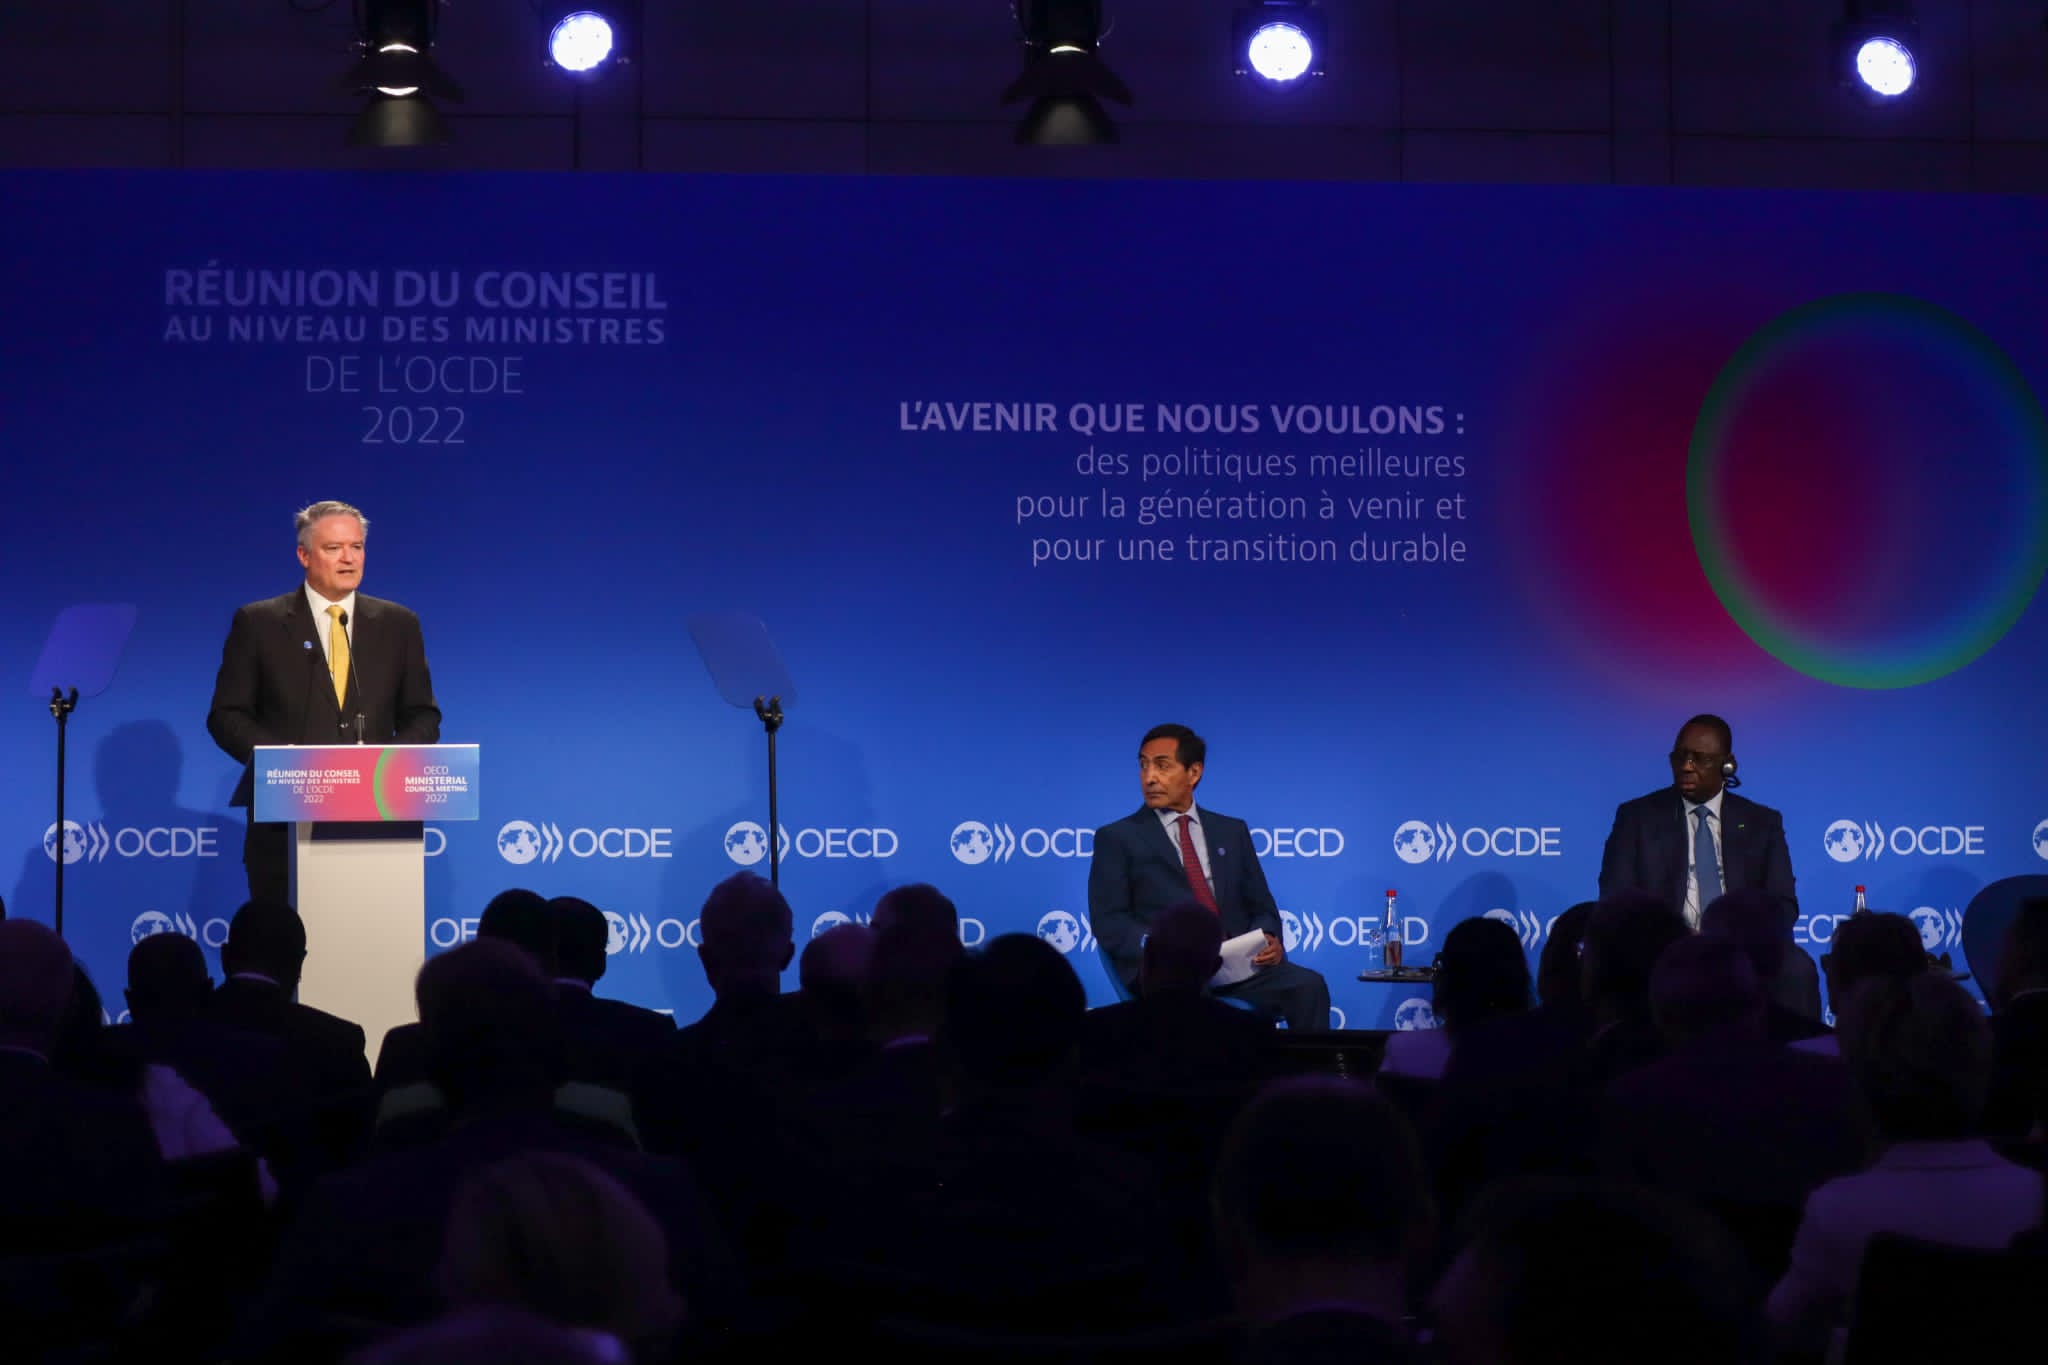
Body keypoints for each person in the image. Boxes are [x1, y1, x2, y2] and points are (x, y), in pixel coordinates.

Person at [206, 500, 441, 904]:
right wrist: (287, 766)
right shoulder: (259, 623)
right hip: (284, 829)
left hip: (377, 824)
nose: (349, 558)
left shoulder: (399, 624)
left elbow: (423, 715)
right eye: (334, 548)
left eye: (357, 546)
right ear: (304, 555)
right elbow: (227, 715)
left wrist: (384, 765)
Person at [1088, 724, 1330, 1032]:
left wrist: (1268, 938)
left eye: (1162, 766)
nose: (1149, 777)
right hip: (1167, 973)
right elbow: (1110, 922)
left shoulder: (1231, 831)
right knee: (1199, 1010)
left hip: (1236, 965)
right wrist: (1162, 948)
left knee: (1309, 986)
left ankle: (1303, 1066)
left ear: (1194, 772)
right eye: (1143, 765)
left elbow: (1262, 906)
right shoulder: (1117, 837)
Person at [1598, 714, 1795, 929]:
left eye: (1700, 759)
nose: (1686, 767)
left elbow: (1783, 904)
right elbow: (1616, 902)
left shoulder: (1762, 823)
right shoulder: (1636, 818)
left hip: (1741, 945)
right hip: (1664, 945)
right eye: (1679, 757)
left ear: (1727, 765)